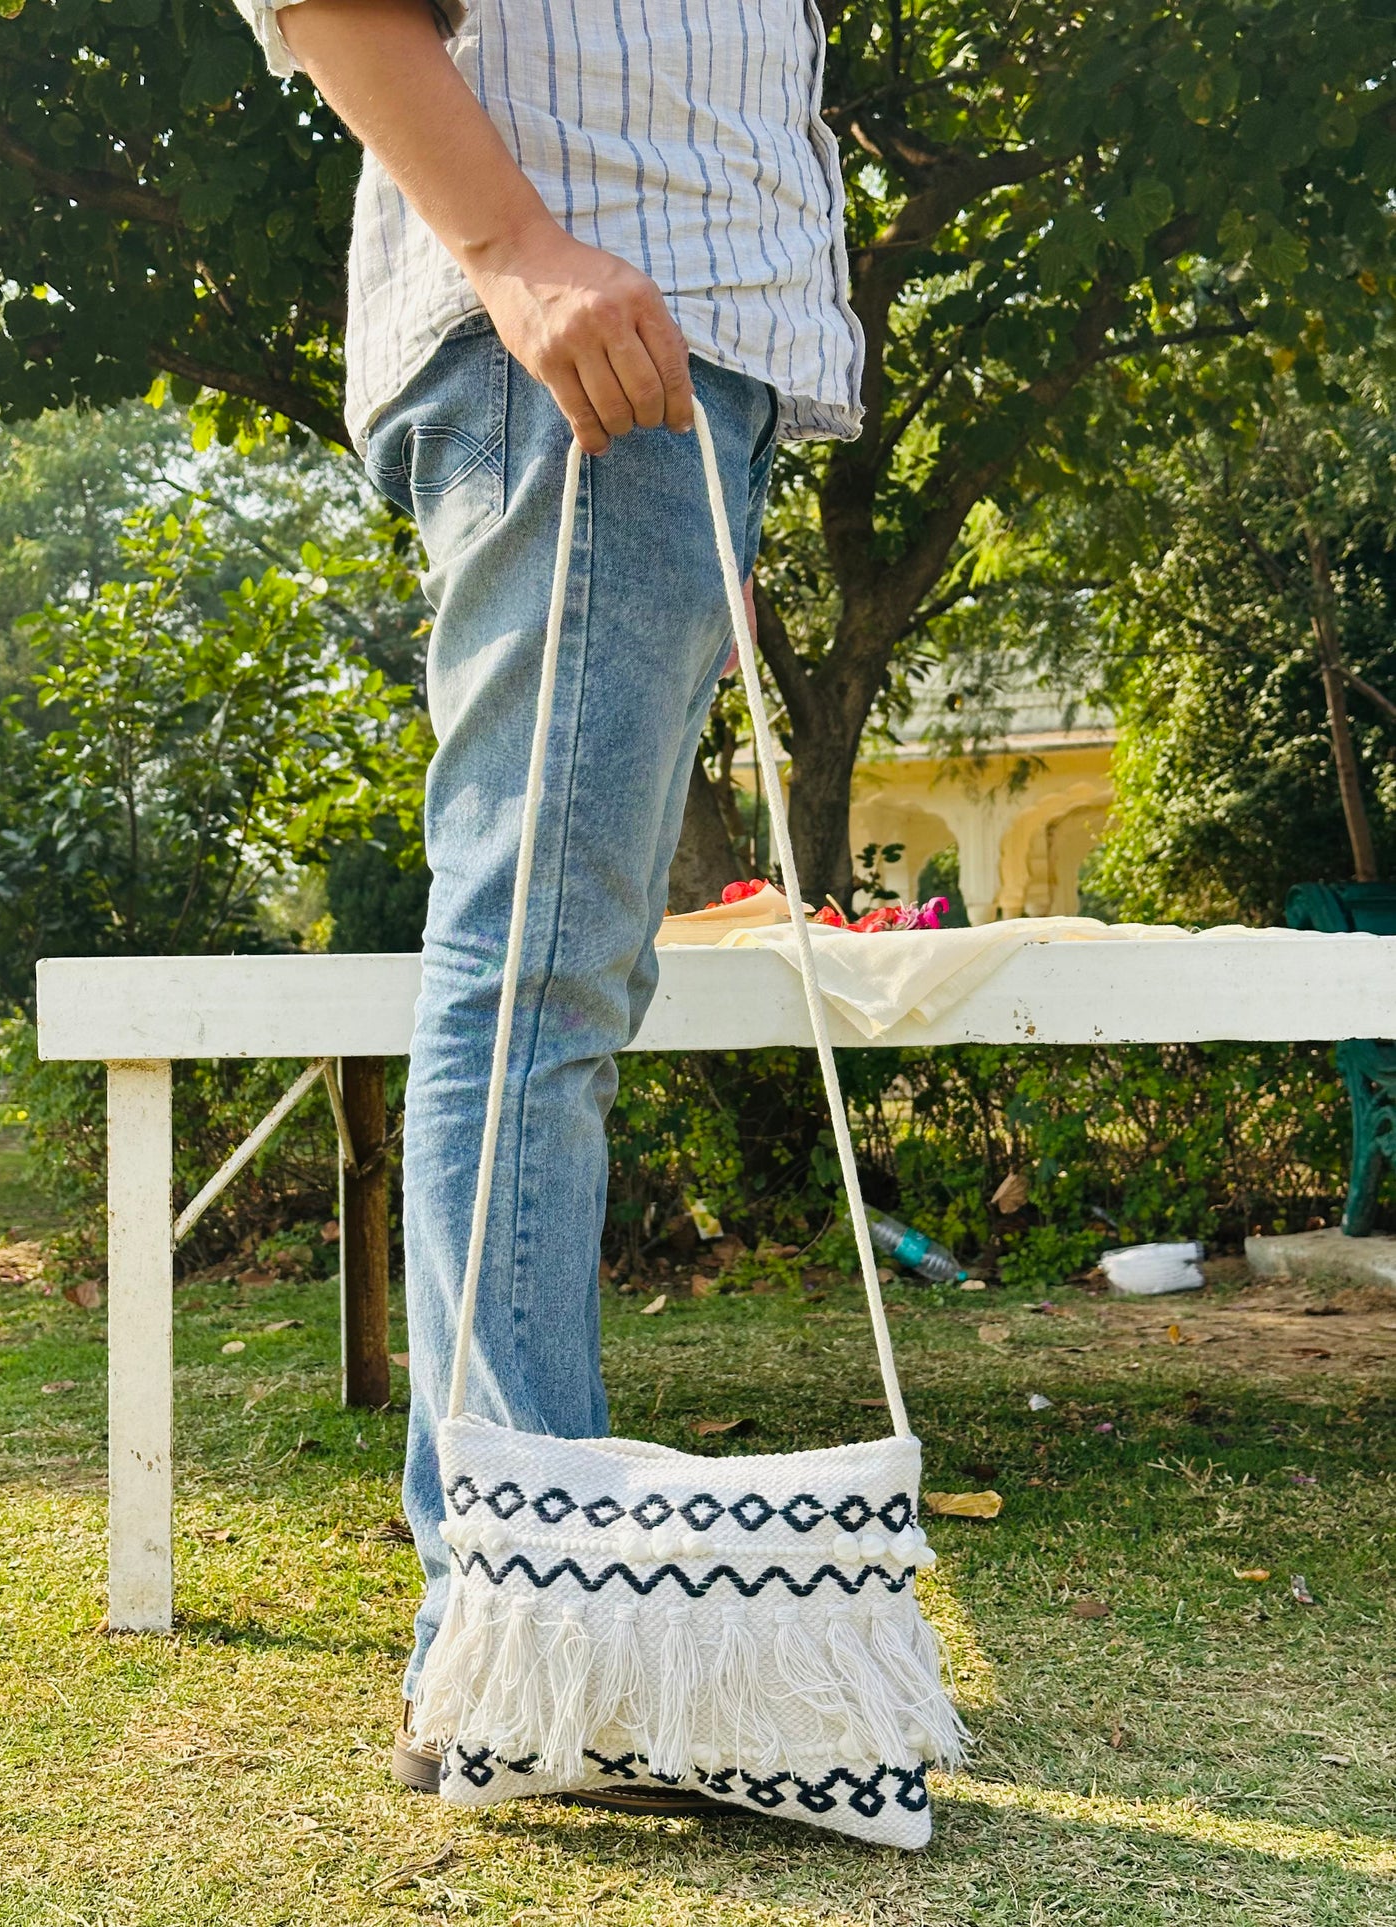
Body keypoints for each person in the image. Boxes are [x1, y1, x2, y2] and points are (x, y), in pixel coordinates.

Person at [231, 0, 863, 1806]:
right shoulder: (549, 284)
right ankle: (520, 1639)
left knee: (548, 981)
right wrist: (512, 247)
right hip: (579, 330)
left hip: (667, 338)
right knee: (533, 982)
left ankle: (523, 1622)